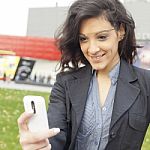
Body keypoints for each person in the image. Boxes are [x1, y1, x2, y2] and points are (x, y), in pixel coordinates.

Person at [17, 0, 150, 149]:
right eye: (83, 39)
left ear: (121, 31)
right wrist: (40, 145)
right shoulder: (65, 83)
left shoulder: (146, 83)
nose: (92, 49)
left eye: (102, 37)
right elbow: (54, 137)